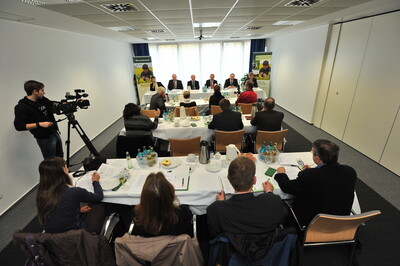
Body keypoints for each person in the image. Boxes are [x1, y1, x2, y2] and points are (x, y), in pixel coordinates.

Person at [275, 139, 357, 227]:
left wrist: (281, 174)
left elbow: (287, 187)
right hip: (340, 224)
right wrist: (315, 171)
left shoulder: (310, 176)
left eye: (312, 152)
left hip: (312, 225)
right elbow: (330, 181)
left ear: (317, 158)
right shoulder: (350, 172)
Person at [207, 156, 286, 240]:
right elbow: (282, 218)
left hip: (232, 251)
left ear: (229, 179)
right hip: (268, 250)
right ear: (254, 180)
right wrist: (270, 193)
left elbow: (214, 234)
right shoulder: (273, 201)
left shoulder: (215, 209)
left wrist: (220, 204)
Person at [36, 157, 104, 234]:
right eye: (65, 166)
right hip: (78, 236)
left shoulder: (41, 194)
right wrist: (95, 182)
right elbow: (99, 196)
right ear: (62, 171)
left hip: (54, 238)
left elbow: (55, 209)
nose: (67, 168)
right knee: (100, 204)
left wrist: (77, 210)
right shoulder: (74, 192)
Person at [131, 172, 194, 237]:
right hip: (177, 246)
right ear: (171, 194)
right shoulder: (183, 213)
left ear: (144, 197)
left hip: (149, 246)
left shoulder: (136, 215)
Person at [14, 80, 63, 159]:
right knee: (51, 161)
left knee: (60, 156)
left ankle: (63, 171)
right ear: (35, 92)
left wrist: (63, 103)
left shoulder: (42, 99)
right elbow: (19, 126)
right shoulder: (21, 107)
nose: (44, 93)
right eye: (42, 90)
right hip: (44, 138)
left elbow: (51, 103)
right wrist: (39, 124)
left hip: (54, 132)